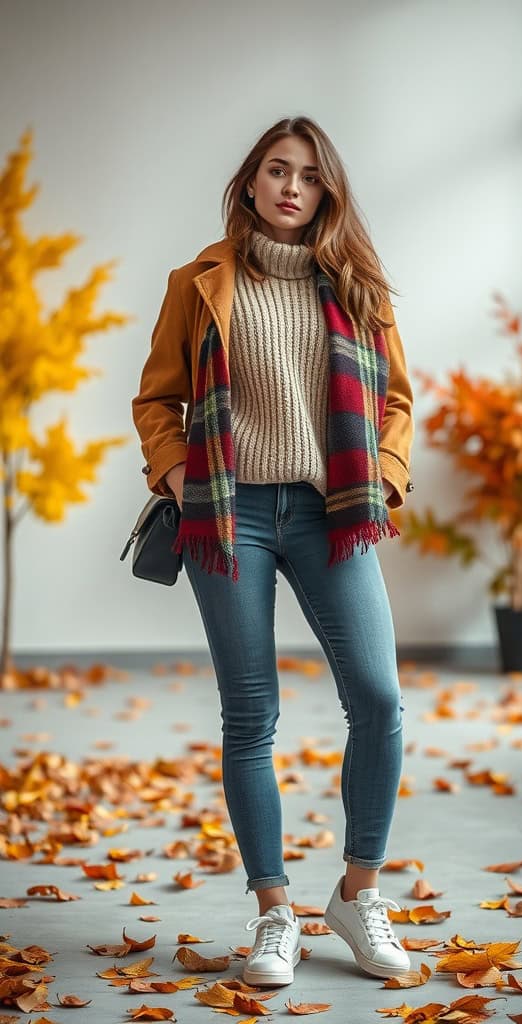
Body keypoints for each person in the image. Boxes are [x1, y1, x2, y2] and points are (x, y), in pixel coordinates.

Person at [132, 115, 414, 987]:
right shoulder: (200, 281)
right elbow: (156, 400)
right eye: (276, 171)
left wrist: (388, 478)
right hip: (232, 513)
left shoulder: (357, 283)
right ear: (250, 182)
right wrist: (180, 477)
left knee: (379, 698)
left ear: (327, 192)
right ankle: (273, 913)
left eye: (310, 176)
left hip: (334, 512)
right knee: (250, 717)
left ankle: (358, 893)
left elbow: (397, 400)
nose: (292, 187)